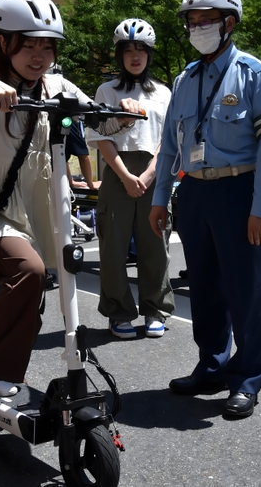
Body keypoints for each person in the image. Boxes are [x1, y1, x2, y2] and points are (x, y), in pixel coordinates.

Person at [0, 0, 142, 397]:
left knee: (47, 284)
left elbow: (96, 120)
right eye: (29, 44)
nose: (39, 55)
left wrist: (122, 111)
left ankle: (9, 368)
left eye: (47, 45)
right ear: (3, 42)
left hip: (43, 206)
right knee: (28, 273)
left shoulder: (56, 84)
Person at [149, 0, 261, 419]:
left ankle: (247, 378)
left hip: (236, 191)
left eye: (205, 19)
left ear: (229, 23)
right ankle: (211, 365)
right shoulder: (184, 79)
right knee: (204, 287)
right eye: (191, 21)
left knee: (245, 291)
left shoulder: (255, 75)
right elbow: (170, 145)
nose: (196, 27)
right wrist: (159, 197)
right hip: (194, 192)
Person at [87, 18, 175, 339]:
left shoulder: (164, 93)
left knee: (156, 245)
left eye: (141, 49)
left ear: (150, 54)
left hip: (155, 170)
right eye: (128, 50)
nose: (135, 56)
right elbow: (99, 137)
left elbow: (170, 137)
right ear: (119, 55)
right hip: (117, 172)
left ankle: (155, 309)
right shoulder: (107, 91)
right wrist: (125, 175)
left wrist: (151, 173)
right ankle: (118, 311)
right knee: (113, 246)